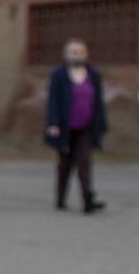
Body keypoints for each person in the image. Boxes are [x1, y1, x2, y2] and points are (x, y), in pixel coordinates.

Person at [44, 39, 109, 213]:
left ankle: (87, 199)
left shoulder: (93, 74)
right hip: (65, 127)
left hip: (86, 127)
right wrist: (53, 123)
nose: (77, 54)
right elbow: (53, 101)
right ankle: (60, 198)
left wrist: (101, 125)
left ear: (85, 54)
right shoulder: (59, 74)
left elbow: (98, 102)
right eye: (73, 51)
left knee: (84, 162)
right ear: (66, 54)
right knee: (64, 164)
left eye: (80, 51)